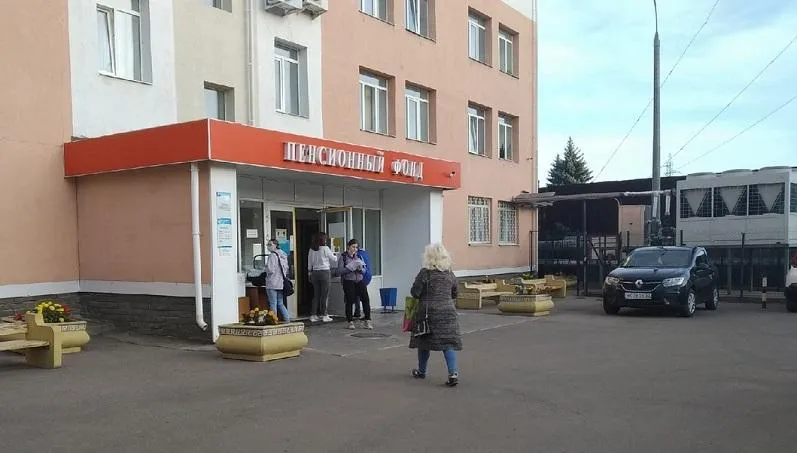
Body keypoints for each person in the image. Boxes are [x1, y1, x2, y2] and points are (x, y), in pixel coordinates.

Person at [409, 243, 462, 387]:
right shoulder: (450, 274)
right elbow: (455, 293)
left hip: (428, 314)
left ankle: (422, 371)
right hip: (448, 313)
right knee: (448, 344)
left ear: (428, 257)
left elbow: (415, 293)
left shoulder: (425, 273)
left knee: (423, 342)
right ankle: (453, 374)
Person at [337, 239, 372, 330]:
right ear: (348, 247)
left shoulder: (359, 256)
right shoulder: (343, 257)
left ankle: (367, 320)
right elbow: (339, 271)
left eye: (356, 247)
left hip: (359, 280)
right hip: (349, 280)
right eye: (353, 247)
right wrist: (349, 268)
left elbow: (365, 270)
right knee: (350, 300)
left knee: (365, 299)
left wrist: (361, 269)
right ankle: (350, 321)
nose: (354, 249)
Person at [308, 232, 337, 323]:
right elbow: (334, 258)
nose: (326, 240)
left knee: (316, 295)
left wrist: (309, 273)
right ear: (323, 239)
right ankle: (324, 315)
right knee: (324, 295)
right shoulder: (325, 248)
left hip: (314, 272)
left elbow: (309, 262)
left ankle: (313, 315)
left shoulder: (311, 249)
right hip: (325, 272)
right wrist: (336, 254)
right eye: (325, 238)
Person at [265, 238, 292, 323]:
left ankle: (274, 321)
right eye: (268, 245)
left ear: (275, 245)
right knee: (280, 303)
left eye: (270, 245)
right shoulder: (283, 254)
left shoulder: (272, 255)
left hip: (272, 282)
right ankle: (287, 319)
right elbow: (286, 269)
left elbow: (270, 270)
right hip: (281, 283)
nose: (268, 246)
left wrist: (265, 269)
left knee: (273, 303)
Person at [352, 246, 372, 319]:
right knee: (362, 295)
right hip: (368, 275)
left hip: (363, 276)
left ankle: (358, 312)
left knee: (359, 295)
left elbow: (360, 266)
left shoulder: (358, 255)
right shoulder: (364, 253)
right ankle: (360, 312)